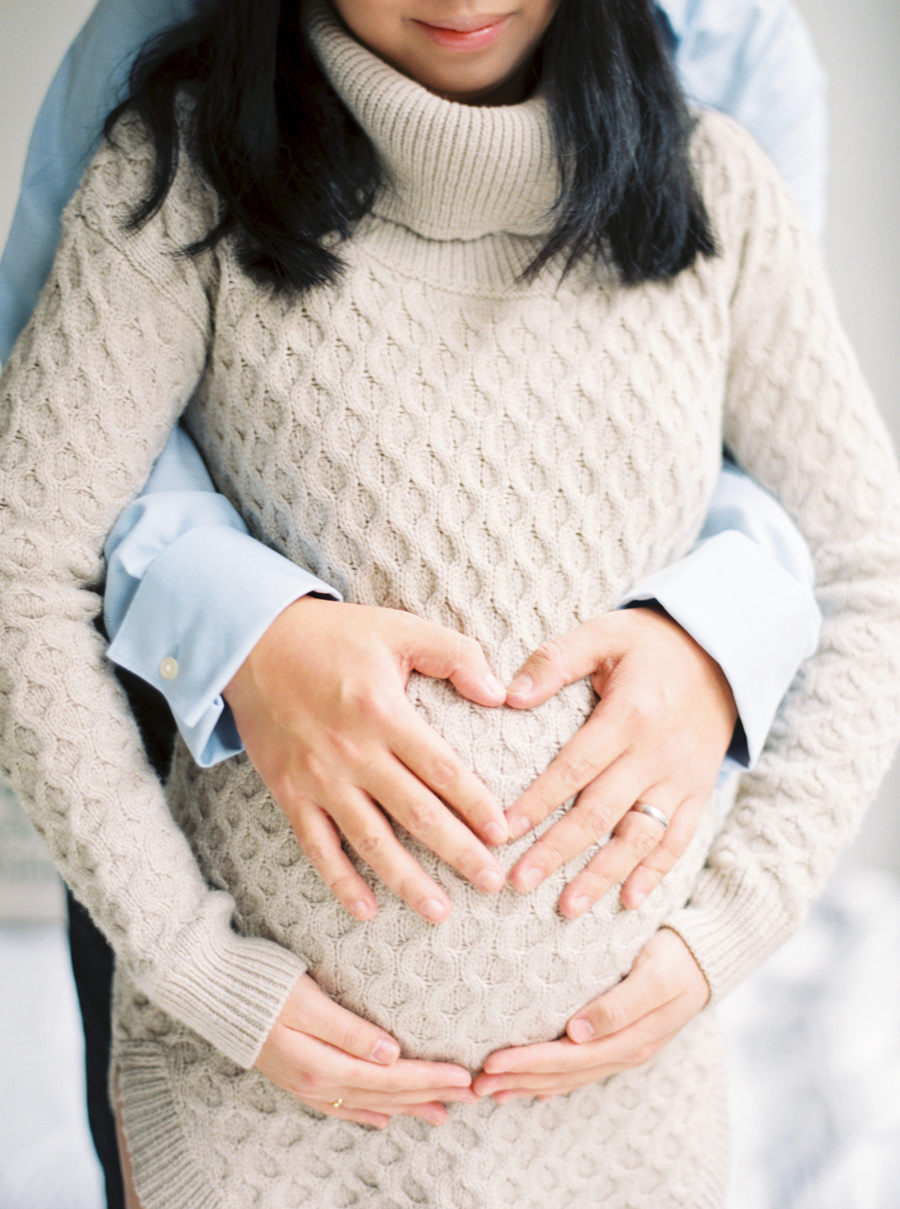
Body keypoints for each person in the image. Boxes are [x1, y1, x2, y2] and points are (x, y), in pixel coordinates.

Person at [3, 0, 897, 1204]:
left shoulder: (723, 175)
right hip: (256, 1125)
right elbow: (22, 562)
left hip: (624, 1129)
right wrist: (196, 968)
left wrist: (726, 928)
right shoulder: (178, 169)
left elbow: (865, 571)